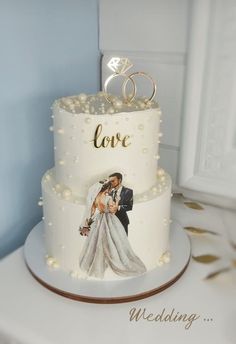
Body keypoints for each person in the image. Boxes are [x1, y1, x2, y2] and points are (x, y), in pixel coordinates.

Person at [79, 180, 146, 279]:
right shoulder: (109, 198)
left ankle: (100, 261)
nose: (110, 190)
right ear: (107, 188)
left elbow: (92, 212)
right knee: (113, 239)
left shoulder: (95, 198)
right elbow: (112, 210)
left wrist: (86, 225)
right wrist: (117, 200)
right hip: (109, 219)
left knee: (98, 240)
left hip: (99, 219)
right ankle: (113, 258)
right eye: (110, 188)